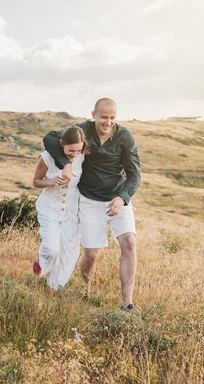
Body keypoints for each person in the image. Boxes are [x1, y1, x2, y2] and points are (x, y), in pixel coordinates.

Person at [43, 98, 141, 310]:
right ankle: (86, 291)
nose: (108, 122)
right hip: (89, 199)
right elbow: (50, 137)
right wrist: (65, 164)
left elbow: (135, 176)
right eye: (104, 117)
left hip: (117, 198)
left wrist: (122, 197)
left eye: (112, 118)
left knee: (130, 244)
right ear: (94, 114)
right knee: (91, 254)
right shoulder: (82, 129)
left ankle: (128, 304)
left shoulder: (125, 137)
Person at [32, 126, 87, 290]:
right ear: (61, 143)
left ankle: (53, 288)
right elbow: (35, 181)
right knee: (52, 248)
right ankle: (40, 263)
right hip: (49, 208)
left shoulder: (81, 157)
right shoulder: (47, 156)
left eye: (78, 150)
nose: (74, 154)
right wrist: (49, 182)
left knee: (69, 253)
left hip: (71, 211)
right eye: (71, 150)